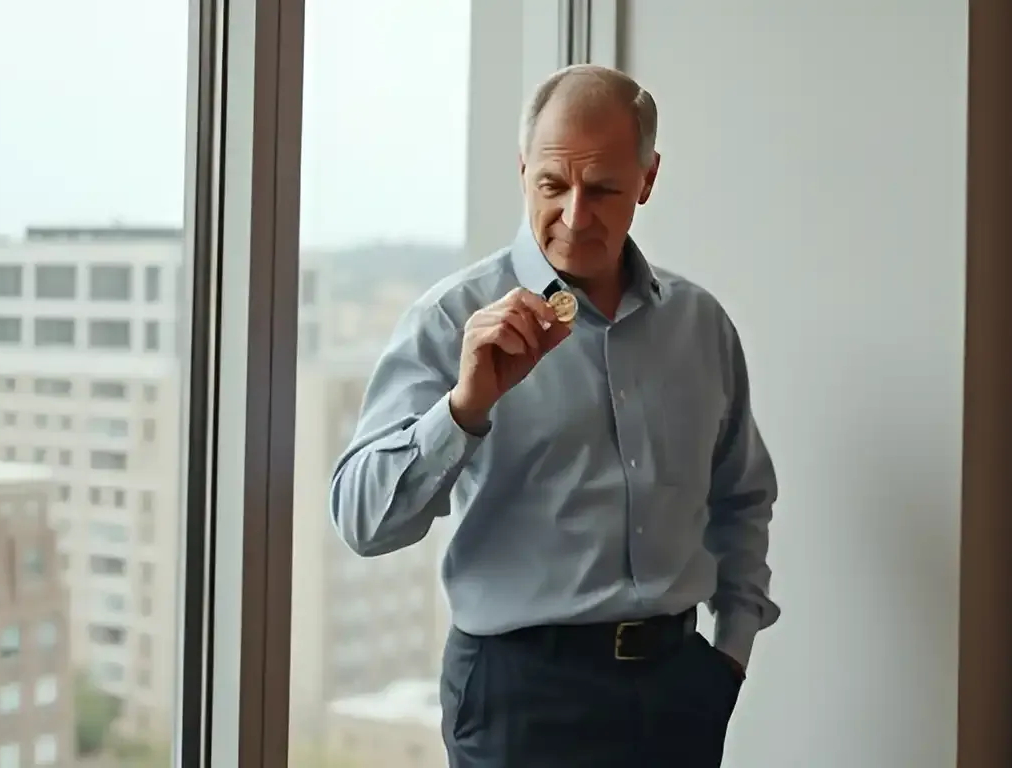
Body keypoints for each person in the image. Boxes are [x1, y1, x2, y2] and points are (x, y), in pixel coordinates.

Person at [329, 63, 779, 768]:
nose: (574, 215)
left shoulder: (700, 326)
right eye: (552, 185)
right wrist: (464, 406)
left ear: (648, 179)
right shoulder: (452, 321)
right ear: (522, 171)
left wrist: (729, 657)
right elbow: (361, 521)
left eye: (602, 188)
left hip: (678, 693)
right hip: (519, 698)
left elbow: (743, 497)